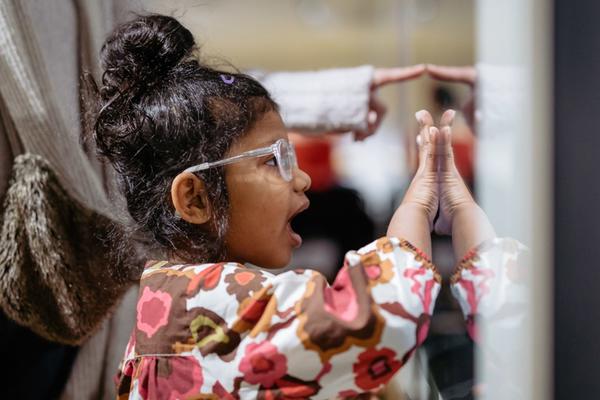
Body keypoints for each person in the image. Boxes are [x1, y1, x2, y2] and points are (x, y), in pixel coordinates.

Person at [84, 15, 523, 400]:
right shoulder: (202, 308)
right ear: (195, 199)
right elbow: (375, 320)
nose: (303, 178)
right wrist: (420, 205)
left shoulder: (182, 302)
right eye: (273, 161)